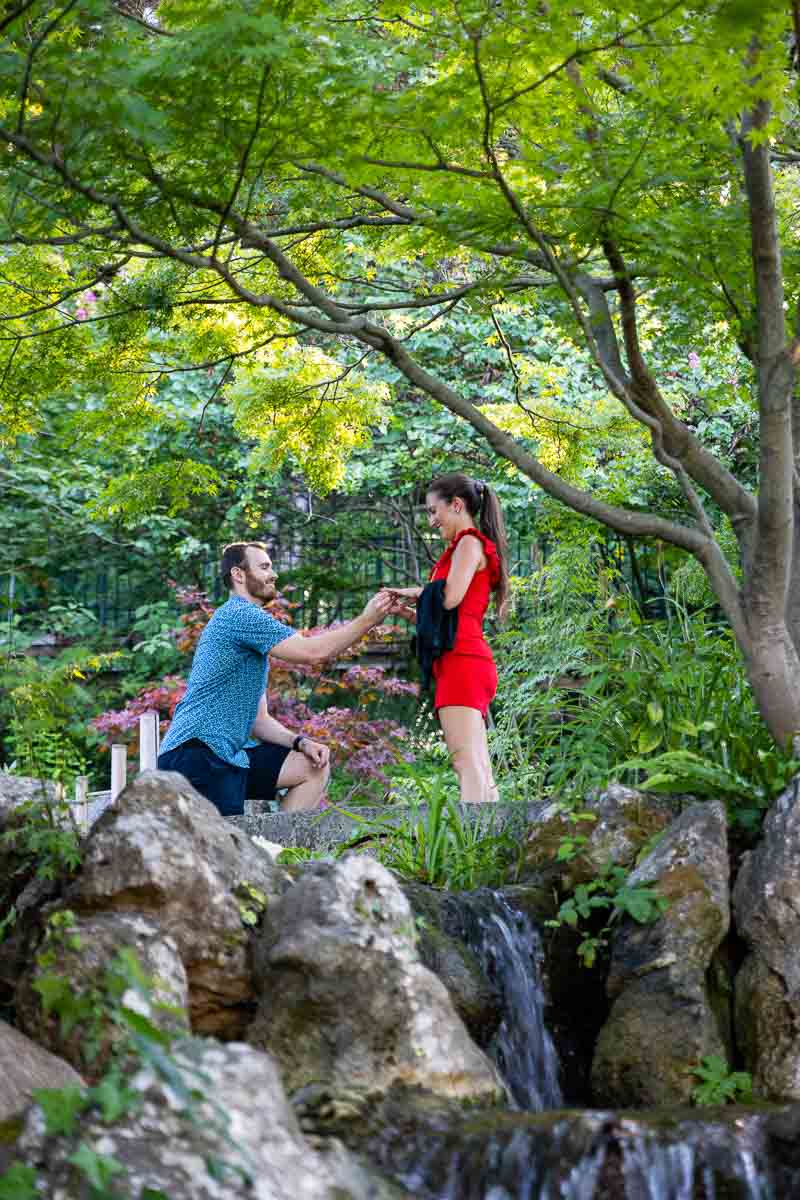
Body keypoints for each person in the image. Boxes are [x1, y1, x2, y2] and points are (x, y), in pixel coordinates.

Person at [157, 541, 393, 816]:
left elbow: (259, 721)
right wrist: (367, 620)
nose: (274, 574)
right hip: (196, 756)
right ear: (239, 574)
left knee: (311, 765)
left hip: (227, 756)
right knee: (221, 854)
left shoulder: (250, 632)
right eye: (265, 567)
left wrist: (301, 742)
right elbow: (314, 652)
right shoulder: (239, 615)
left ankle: (278, 853)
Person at [390, 473, 509, 804]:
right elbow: (450, 617)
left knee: (465, 761)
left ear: (456, 505)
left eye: (433, 511)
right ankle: (491, 839)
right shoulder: (464, 546)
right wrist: (408, 613)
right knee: (477, 764)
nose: (431, 521)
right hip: (463, 658)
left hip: (463, 662)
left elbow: (450, 597)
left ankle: (472, 845)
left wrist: (414, 592)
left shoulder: (469, 542)